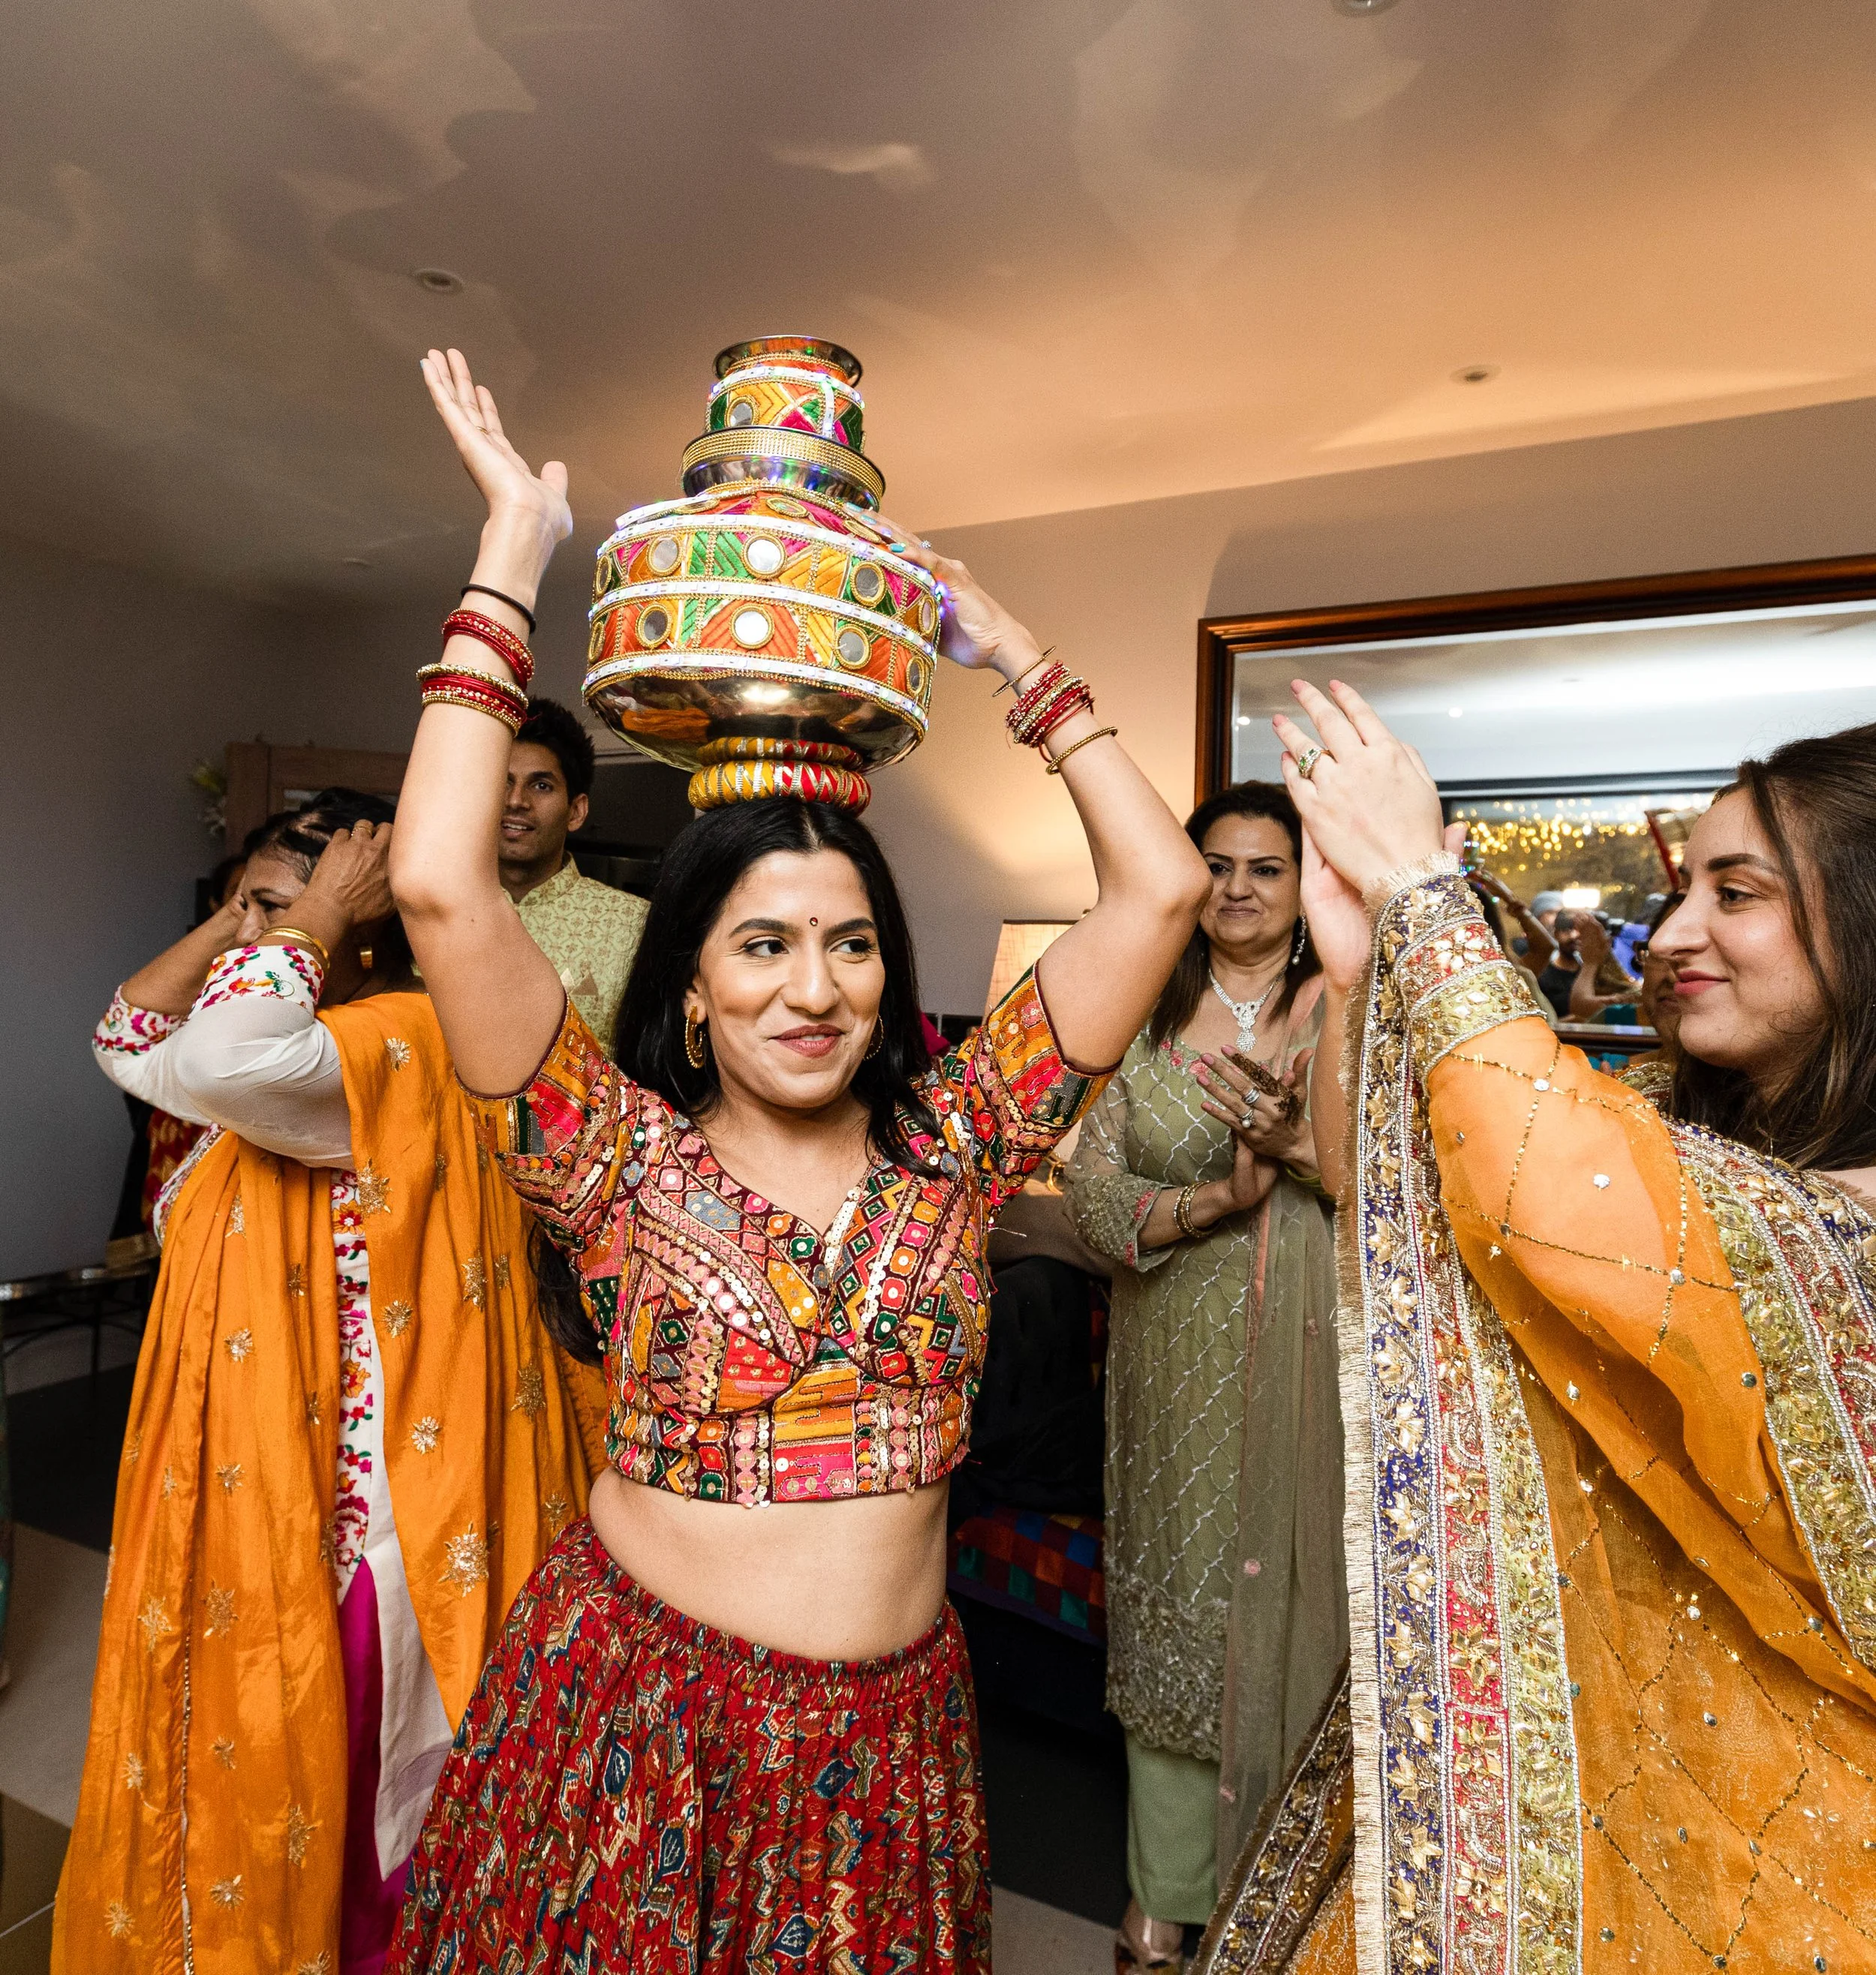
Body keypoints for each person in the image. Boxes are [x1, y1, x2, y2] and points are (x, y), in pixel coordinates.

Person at [377, 347, 1210, 1971]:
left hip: (885, 1748)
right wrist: (506, 555)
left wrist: (1019, 659)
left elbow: (1157, 895)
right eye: (760, 943)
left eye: (848, 944)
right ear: (689, 979)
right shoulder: (607, 1154)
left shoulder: (954, 1148)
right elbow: (439, 890)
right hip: (643, 1708)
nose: (810, 987)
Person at [1196, 693, 1876, 1974]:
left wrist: (1423, 891)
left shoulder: (1828, 1213)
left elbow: (1554, 1190)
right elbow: (1387, 1194)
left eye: (1738, 895)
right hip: (1596, 1760)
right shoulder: (1690, 1133)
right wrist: (1357, 969)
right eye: (1686, 892)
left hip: (1783, 1826)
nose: (1673, 934)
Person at [57, 790, 609, 1975]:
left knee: (354, 1785)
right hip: (265, 1474)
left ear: (362, 914)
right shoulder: (288, 1047)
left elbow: (223, 1049)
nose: (255, 932)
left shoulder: (389, 1045)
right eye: (242, 905)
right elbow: (124, 1038)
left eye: (285, 907)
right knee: (258, 1754)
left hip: (367, 1508)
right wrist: (248, 918)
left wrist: (309, 913)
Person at [1066, 783, 1343, 1970]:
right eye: (1215, 865)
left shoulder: (1352, 1007)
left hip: (1315, 1352)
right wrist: (1216, 1201)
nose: (1237, 889)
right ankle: (1164, 1897)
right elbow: (1087, 1193)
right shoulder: (1137, 1013)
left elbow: (1427, 1188)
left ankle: (1282, 1895)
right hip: (1172, 1356)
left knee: (1297, 1601)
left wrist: (1303, 1154)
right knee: (1178, 1617)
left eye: (1264, 868)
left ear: (1302, 885)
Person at [501, 695, 648, 1052]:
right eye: (503, 781)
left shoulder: (636, 925)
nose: (516, 800)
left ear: (576, 811)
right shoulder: (438, 907)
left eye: (541, 785)